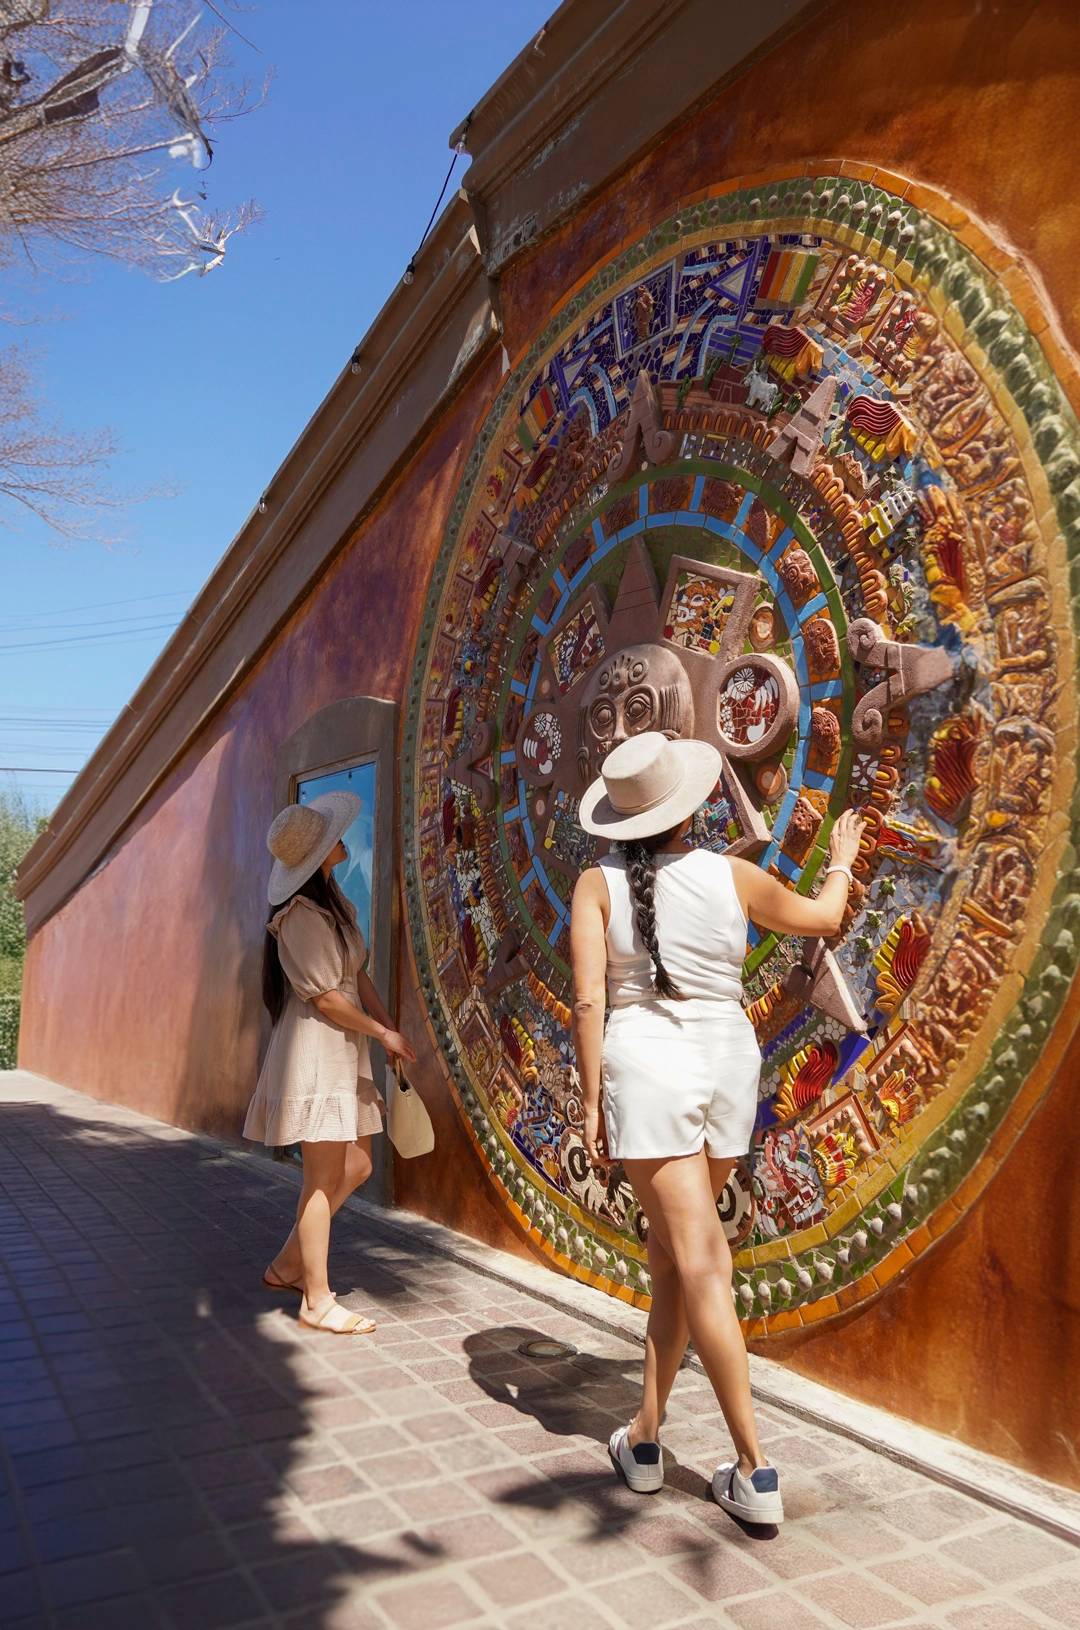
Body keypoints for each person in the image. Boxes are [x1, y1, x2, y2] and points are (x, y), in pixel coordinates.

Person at [570, 731, 865, 1524]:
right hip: (726, 1065)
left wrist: (593, 1100)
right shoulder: (734, 875)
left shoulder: (595, 887)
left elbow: (592, 1001)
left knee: (697, 1264)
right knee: (674, 1261)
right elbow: (824, 917)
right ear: (692, 805)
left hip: (648, 1068)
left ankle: (754, 1468)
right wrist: (840, 854)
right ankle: (644, 1437)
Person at [244, 791, 417, 1335]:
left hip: (346, 1046)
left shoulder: (334, 905)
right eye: (332, 835)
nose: (342, 838)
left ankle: (289, 1263)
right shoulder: (297, 917)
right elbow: (325, 998)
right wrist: (380, 1032)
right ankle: (315, 1299)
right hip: (317, 1049)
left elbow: (357, 978)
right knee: (320, 1180)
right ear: (317, 854)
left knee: (358, 1166)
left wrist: (389, 1030)